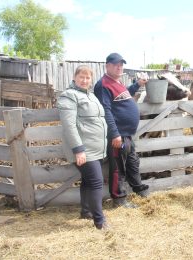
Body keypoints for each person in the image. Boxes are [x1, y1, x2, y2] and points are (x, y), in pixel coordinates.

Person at [94, 52, 150, 208]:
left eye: (121, 65)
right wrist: (115, 133)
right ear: (107, 66)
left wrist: (138, 84)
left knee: (132, 163)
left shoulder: (117, 82)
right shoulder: (103, 85)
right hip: (118, 136)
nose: (119, 67)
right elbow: (106, 111)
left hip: (127, 135)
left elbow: (125, 95)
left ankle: (139, 189)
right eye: (116, 65)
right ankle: (119, 199)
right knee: (118, 168)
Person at [57, 65, 109, 230]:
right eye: (82, 77)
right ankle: (99, 221)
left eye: (88, 78)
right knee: (96, 182)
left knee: (88, 181)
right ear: (74, 77)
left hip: (96, 149)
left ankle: (86, 211)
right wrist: (78, 149)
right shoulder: (69, 96)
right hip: (84, 150)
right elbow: (69, 125)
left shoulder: (91, 96)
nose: (85, 80)